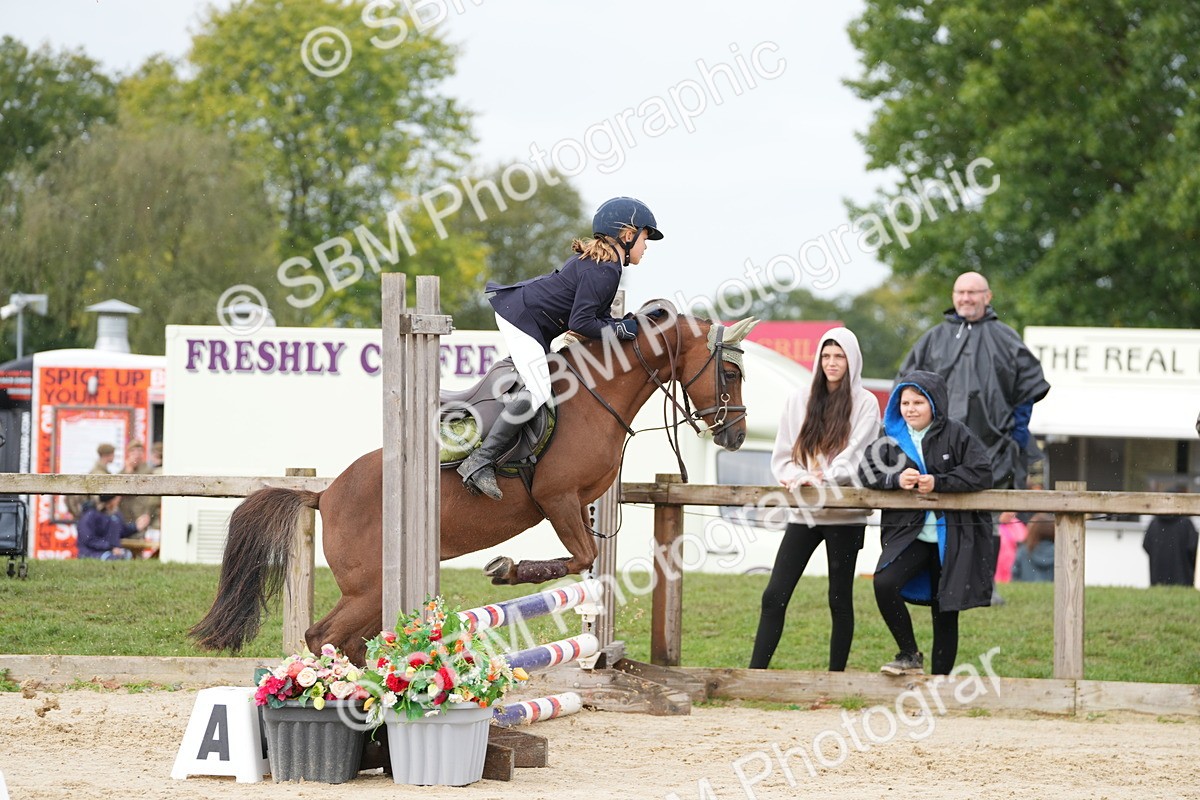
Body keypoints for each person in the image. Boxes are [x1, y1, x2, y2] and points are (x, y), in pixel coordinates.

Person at [457, 196, 663, 501]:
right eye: (645, 238)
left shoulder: (605, 265)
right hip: (522, 318)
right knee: (539, 391)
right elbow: (581, 323)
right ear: (628, 234)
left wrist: (632, 323)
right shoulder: (605, 268)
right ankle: (480, 461)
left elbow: (597, 318)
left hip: (530, 319)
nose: (646, 247)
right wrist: (623, 328)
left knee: (541, 385)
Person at [898, 272, 1050, 600]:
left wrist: (1016, 432)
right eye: (960, 292)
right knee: (938, 513)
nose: (966, 298)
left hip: (991, 445)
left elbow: (1029, 386)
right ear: (953, 296)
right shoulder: (934, 338)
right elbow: (907, 386)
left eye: (973, 292)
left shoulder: (1006, 338)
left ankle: (985, 585)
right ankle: (938, 583)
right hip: (938, 444)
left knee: (988, 517)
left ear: (987, 296)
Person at [748, 328, 881, 672]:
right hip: (805, 512)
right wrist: (799, 477)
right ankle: (755, 674)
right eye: (826, 356)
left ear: (852, 361)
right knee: (774, 595)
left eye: (839, 356)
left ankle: (835, 677)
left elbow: (854, 456)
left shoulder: (865, 403)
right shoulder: (798, 399)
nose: (832, 363)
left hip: (845, 514)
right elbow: (783, 455)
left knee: (839, 599)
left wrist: (825, 477)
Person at [859, 371, 993, 676]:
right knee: (884, 583)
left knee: (945, 611)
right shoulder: (889, 439)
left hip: (953, 539)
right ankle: (909, 654)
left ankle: (940, 684)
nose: (910, 409)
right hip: (911, 536)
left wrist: (940, 482)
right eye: (905, 402)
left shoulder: (958, 434)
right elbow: (866, 473)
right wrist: (895, 479)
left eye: (918, 402)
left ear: (935, 403)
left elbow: (983, 472)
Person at [1142, 500, 1198, 587]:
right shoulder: (1186, 524)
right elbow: (1194, 548)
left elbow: (1146, 545)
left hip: (1157, 581)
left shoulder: (1154, 523)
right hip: (1183, 581)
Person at [76, 495, 150, 560]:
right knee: (114, 559)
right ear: (111, 500)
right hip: (92, 553)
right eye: (117, 498)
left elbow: (121, 531)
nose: (119, 500)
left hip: (113, 551)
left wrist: (136, 527)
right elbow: (88, 539)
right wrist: (110, 547)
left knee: (127, 555)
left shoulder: (115, 514)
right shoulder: (89, 516)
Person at [118, 439, 158, 539]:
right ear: (128, 453)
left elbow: (153, 497)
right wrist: (128, 472)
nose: (137, 454)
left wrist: (148, 514)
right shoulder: (123, 471)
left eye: (140, 451)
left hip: (142, 515)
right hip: (125, 516)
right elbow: (119, 491)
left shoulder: (147, 471)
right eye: (133, 451)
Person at [67, 442, 116, 519]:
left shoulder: (100, 470)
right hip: (96, 514)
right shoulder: (99, 472)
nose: (114, 456)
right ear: (107, 455)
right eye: (112, 454)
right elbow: (97, 498)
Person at [1011, 512, 1055, 582]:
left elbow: (1014, 579)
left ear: (1032, 530)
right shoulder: (1061, 554)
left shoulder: (1023, 552)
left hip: (1025, 592)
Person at [994, 511, 1028, 583]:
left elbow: (1023, 542)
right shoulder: (995, 524)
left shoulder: (1018, 524)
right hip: (999, 562)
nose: (1010, 514)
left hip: (1013, 561)